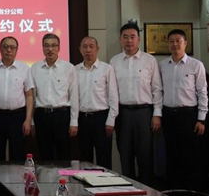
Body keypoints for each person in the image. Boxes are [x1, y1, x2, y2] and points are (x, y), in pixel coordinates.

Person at [110, 22, 163, 185]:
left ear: (139, 39)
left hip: (144, 113)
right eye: (125, 37)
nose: (129, 40)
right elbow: (112, 92)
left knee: (145, 155)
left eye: (132, 37)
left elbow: (157, 89)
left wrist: (157, 114)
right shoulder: (114, 61)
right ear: (120, 39)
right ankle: (129, 191)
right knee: (125, 155)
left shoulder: (149, 60)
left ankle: (147, 192)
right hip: (123, 114)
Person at [159, 29, 208, 190]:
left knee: (190, 155)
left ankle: (191, 191)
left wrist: (201, 119)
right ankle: (173, 190)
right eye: (171, 41)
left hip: (188, 115)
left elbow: (202, 93)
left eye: (178, 41)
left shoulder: (196, 65)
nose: (175, 44)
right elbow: (159, 91)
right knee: (171, 153)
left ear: (185, 43)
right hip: (168, 114)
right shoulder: (163, 65)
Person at [30, 33, 79, 161]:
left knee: (64, 155)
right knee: (44, 156)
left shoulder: (69, 68)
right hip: (41, 116)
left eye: (53, 45)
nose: (50, 49)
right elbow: (32, 98)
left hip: (62, 116)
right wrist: (32, 121)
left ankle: (63, 176)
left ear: (59, 48)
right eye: (46, 46)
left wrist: (74, 121)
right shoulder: (35, 68)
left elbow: (74, 96)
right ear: (42, 48)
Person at [76, 36, 119, 169]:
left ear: (97, 49)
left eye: (91, 46)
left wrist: (111, 120)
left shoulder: (107, 69)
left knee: (103, 157)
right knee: (84, 158)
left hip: (101, 118)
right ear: (80, 49)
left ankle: (105, 182)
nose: (88, 50)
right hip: (82, 118)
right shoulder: (75, 70)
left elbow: (113, 96)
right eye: (85, 47)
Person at [0, 36, 34, 162]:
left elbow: (29, 95)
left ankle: (17, 176)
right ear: (0, 49)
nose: (8, 50)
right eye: (5, 47)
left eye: (12, 47)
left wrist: (28, 120)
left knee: (18, 154)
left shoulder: (24, 68)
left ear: (16, 50)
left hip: (17, 116)